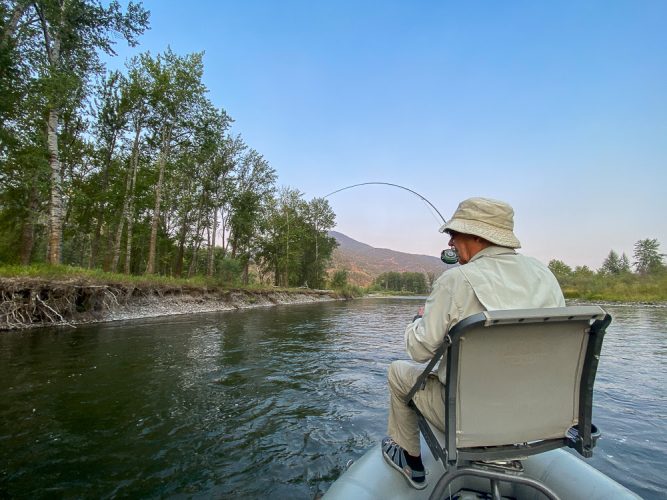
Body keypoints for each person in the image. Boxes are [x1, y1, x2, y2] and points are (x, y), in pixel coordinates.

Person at [381, 197, 565, 489]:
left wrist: (416, 323)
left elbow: (418, 350)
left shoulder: (456, 281)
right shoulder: (545, 276)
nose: (451, 241)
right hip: (534, 415)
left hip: (467, 417)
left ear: (478, 235)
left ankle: (410, 461)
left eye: (455, 233)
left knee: (397, 372)